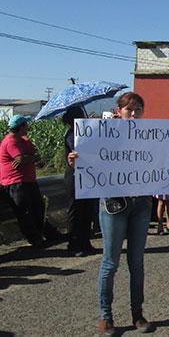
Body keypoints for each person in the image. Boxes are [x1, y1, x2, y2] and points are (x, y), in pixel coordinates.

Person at [68, 92, 166, 335]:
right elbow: (90, 161)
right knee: (110, 263)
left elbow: (157, 165)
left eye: (138, 109)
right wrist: (76, 161)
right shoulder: (102, 134)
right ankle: (106, 317)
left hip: (141, 204)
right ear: (118, 111)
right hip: (113, 205)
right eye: (129, 109)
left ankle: (137, 314)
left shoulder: (150, 137)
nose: (133, 114)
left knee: (137, 262)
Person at [1, 114, 62, 247]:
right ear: (21, 127)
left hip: (28, 180)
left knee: (38, 208)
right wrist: (29, 157)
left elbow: (33, 156)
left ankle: (47, 234)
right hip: (14, 182)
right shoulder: (11, 142)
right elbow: (21, 158)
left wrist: (28, 157)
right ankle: (35, 239)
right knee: (24, 211)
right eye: (26, 125)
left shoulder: (24, 141)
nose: (28, 127)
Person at [62, 106, 98, 257]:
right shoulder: (72, 134)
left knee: (86, 210)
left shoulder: (85, 133)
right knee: (76, 211)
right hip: (75, 174)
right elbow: (78, 150)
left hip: (87, 174)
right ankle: (74, 244)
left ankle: (85, 242)